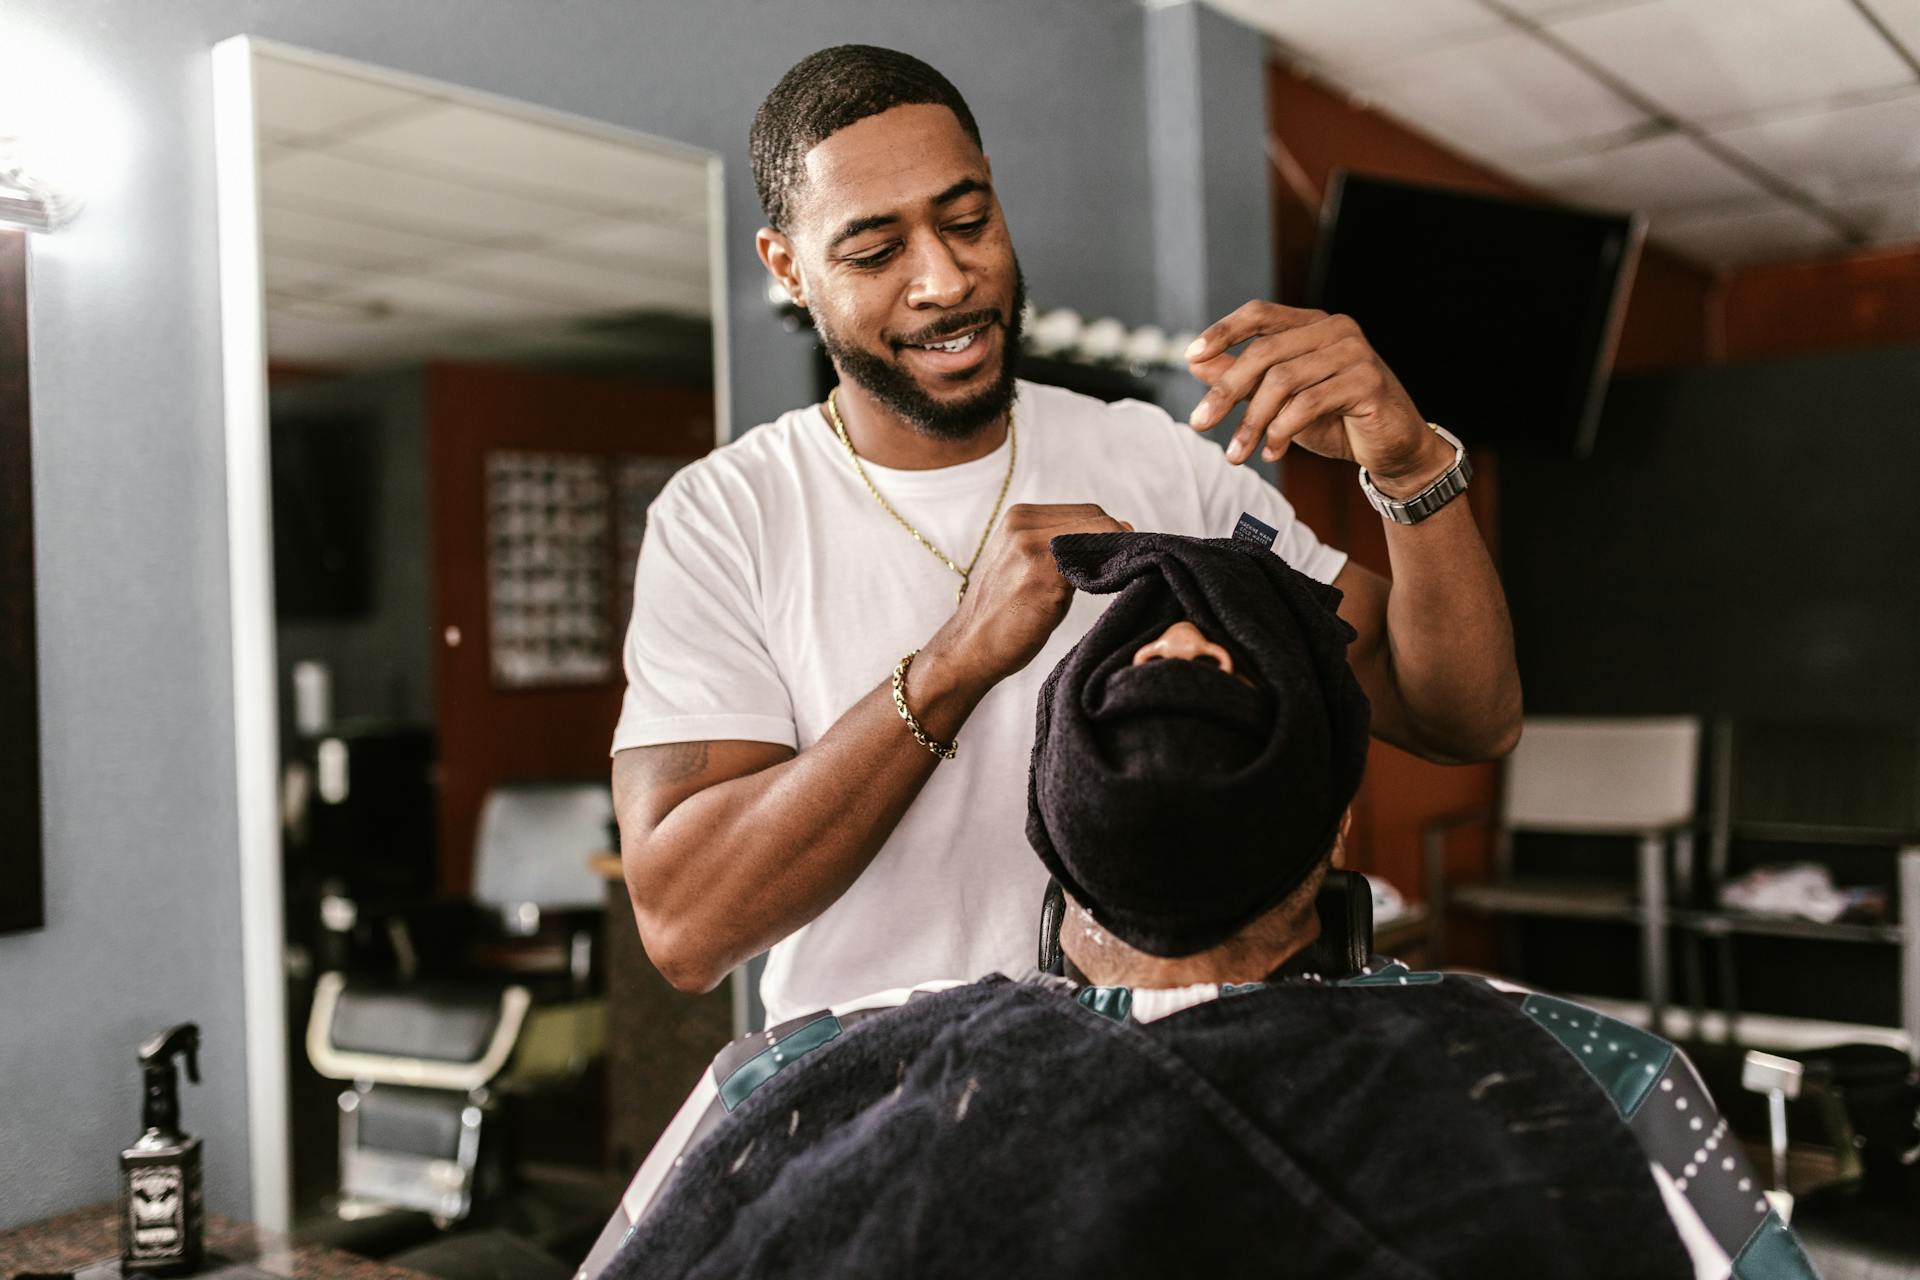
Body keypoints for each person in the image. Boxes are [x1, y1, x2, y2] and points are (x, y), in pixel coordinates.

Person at [581, 533, 1817, 1280]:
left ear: (1338, 822)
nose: (1184, 649)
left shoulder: (1597, 1082)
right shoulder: (790, 1081)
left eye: (1238, 669)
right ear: (1050, 816)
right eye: (1140, 657)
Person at [611, 43, 1522, 1026]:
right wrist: (953, 665)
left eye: (967, 220)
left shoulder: (1155, 460)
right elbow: (686, 926)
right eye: (875, 252)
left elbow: (1460, 715)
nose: (945, 279)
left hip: (1162, 1072)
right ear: (788, 266)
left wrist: (1413, 468)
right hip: (888, 1107)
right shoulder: (726, 517)